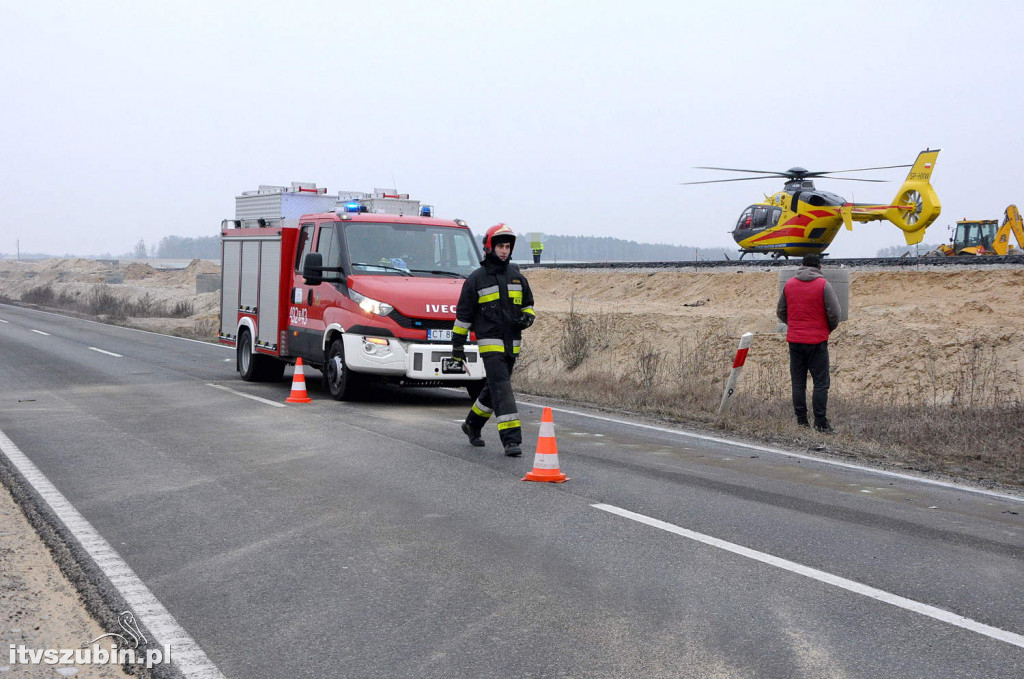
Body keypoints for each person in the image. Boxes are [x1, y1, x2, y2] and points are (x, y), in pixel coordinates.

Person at [450, 224, 536, 456]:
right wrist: (457, 347)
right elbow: (463, 318)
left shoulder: (518, 278)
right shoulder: (476, 280)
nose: (504, 251)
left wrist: (527, 318)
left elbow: (529, 306)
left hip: (512, 344)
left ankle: (472, 425)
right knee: (502, 387)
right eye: (500, 246)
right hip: (490, 344)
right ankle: (511, 439)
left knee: (493, 388)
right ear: (489, 247)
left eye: (508, 246)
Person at [776, 254, 842, 434]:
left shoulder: (789, 284)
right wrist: (826, 329)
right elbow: (835, 313)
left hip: (795, 341)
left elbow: (780, 311)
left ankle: (802, 422)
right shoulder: (823, 285)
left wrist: (795, 325)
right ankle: (820, 422)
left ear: (802, 266)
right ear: (819, 267)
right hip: (817, 341)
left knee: (798, 383)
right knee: (821, 383)